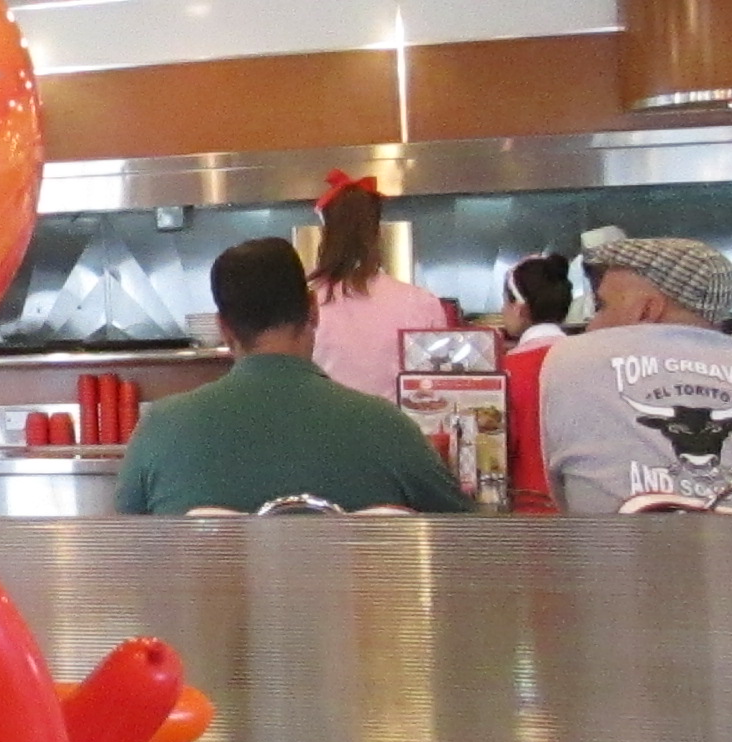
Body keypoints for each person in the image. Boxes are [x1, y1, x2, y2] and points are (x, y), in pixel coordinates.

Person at [116, 237, 469, 515]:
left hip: (210, 592)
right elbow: (463, 535)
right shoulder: (387, 426)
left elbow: (124, 550)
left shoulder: (161, 428)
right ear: (313, 310)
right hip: (351, 592)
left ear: (224, 328)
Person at [542, 237, 732, 512]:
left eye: (601, 306)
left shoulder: (565, 360)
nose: (591, 325)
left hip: (628, 548)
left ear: (646, 311)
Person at [308, 170, 449, 399]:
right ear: (377, 231)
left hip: (321, 419)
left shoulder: (303, 302)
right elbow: (435, 386)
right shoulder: (420, 302)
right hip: (398, 421)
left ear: (326, 233)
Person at [500, 252, 575, 513]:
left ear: (519, 308)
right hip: (584, 504)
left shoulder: (506, 370)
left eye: (505, 302)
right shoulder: (590, 362)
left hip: (528, 503)